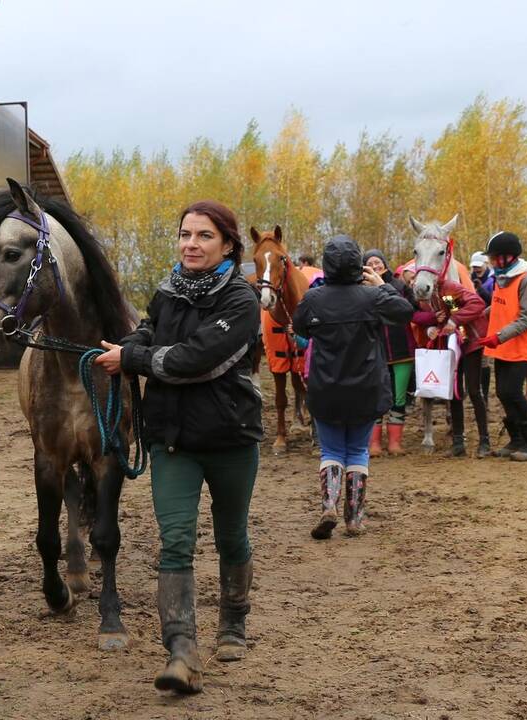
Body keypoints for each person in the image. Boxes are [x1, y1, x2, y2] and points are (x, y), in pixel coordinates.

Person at [94, 200, 260, 694]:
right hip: (172, 441)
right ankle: (182, 650)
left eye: (204, 236)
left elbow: (197, 359)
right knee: (176, 540)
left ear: (228, 244)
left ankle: (233, 623)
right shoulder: (168, 291)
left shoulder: (242, 301)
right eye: (186, 234)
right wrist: (124, 344)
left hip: (231, 438)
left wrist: (135, 357)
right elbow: (150, 329)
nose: (191, 243)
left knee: (232, 536)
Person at [293, 235, 413, 540]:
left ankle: (329, 505)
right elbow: (405, 312)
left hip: (326, 387)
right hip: (366, 387)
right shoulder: (373, 297)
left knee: (331, 449)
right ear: (357, 265)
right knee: (358, 450)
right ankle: (354, 518)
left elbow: (301, 327)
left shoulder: (314, 298)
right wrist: (381, 285)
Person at [474, 231, 527, 461]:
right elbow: (498, 306)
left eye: (495, 258)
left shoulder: (526, 280)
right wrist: (478, 317)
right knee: (503, 393)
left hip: (519, 346)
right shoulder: (502, 278)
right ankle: (517, 439)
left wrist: (499, 336)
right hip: (503, 345)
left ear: (508, 257)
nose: (492, 262)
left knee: (513, 392)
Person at [412, 270, 490, 457]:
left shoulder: (449, 288)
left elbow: (476, 303)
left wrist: (454, 320)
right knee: (454, 391)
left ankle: (484, 441)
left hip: (470, 343)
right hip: (452, 344)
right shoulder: (426, 295)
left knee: (473, 390)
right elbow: (436, 315)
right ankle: (458, 442)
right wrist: (432, 326)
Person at [363, 250, 417, 456]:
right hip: (374, 353)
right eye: (370, 263)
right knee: (375, 396)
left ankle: (395, 442)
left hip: (401, 350)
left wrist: (447, 316)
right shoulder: (361, 289)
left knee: (399, 398)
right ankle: (374, 443)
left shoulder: (399, 286)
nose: (375, 265)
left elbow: (414, 309)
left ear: (385, 263)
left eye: (378, 261)